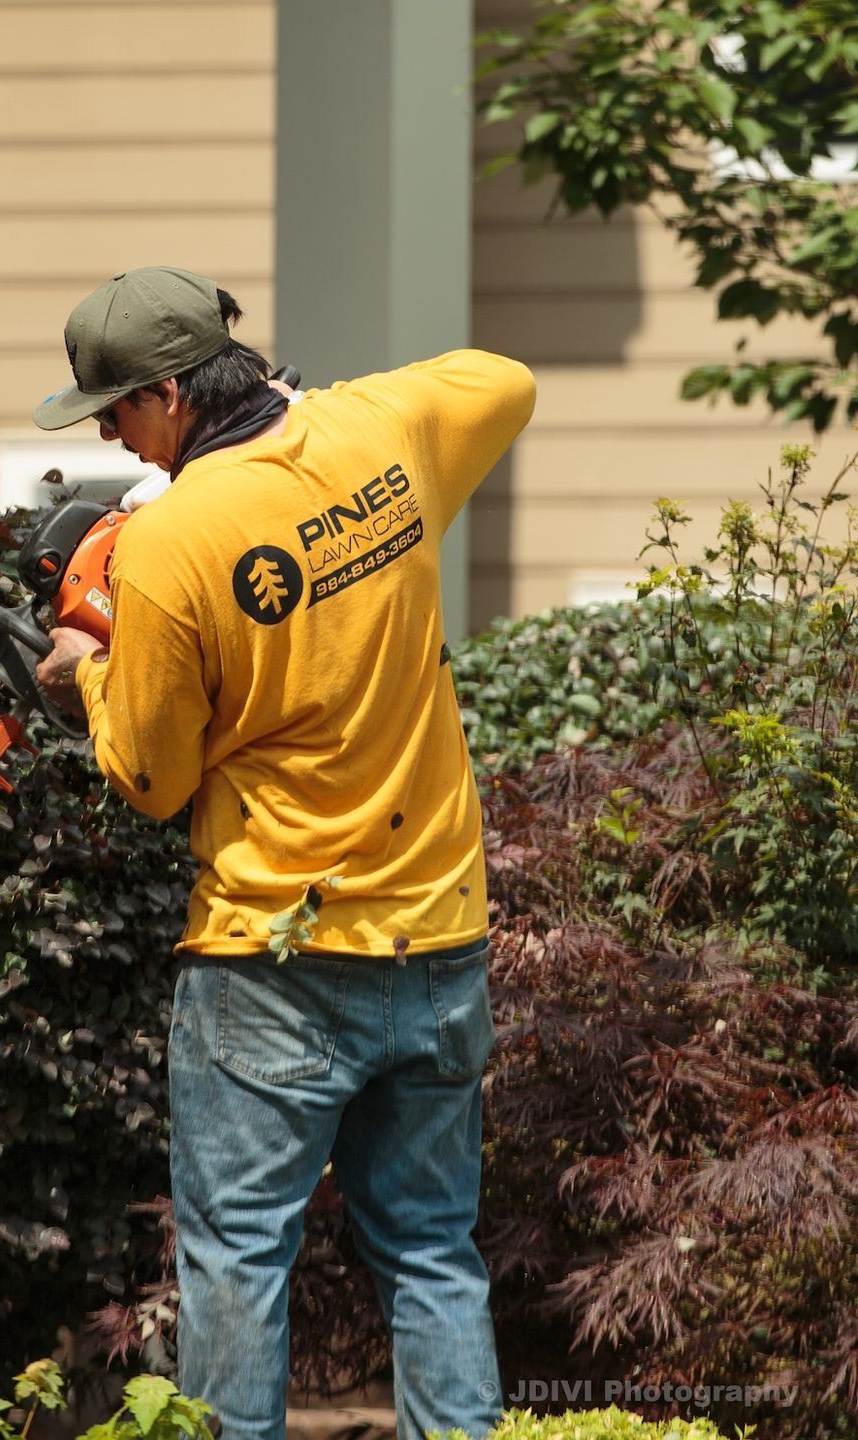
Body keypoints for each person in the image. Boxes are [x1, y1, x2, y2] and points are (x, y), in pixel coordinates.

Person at [29, 267, 535, 1440]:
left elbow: (153, 781)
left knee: (239, 1261)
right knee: (431, 1253)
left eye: (113, 408)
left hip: (274, 960)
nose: (109, 433)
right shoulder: (381, 431)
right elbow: (501, 379)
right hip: (440, 935)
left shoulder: (175, 543)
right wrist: (317, 408)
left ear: (168, 393)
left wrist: (84, 671)